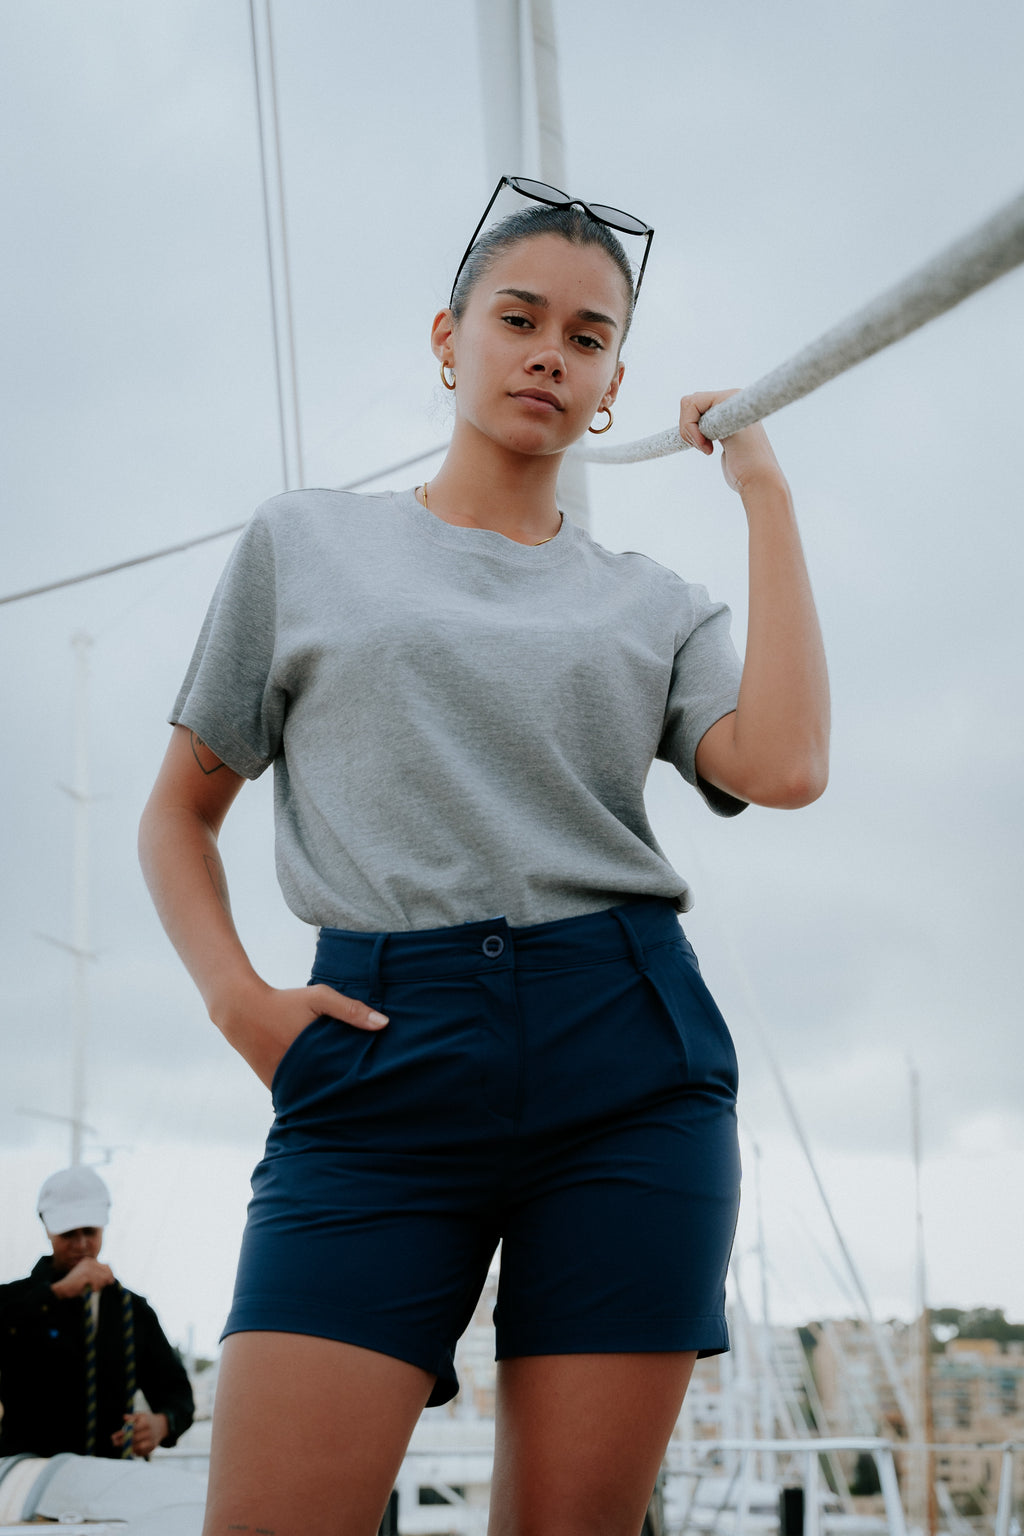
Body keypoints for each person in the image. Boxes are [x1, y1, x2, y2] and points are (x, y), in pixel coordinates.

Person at [138, 175, 829, 1536]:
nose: (548, 354)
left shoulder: (654, 605)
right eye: (518, 319)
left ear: (612, 382)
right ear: (448, 338)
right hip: (375, 1063)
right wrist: (238, 1003)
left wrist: (764, 491)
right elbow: (179, 811)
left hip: (626, 1062)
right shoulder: (306, 541)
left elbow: (787, 766)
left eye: (587, 337)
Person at [0, 1165, 195, 1460]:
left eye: (89, 1231)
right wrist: (56, 1293)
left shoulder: (134, 1312)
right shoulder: (11, 1300)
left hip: (106, 1475)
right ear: (47, 1228)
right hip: (29, 1477)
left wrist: (161, 1424)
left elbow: (178, 1395)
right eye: (68, 1233)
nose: (81, 1244)